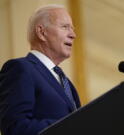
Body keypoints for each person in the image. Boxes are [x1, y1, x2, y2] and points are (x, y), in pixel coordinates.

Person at [0, 4, 81, 135]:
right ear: (42, 33)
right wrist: (67, 127)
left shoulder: (67, 83)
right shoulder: (21, 68)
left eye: (72, 28)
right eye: (65, 27)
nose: (73, 35)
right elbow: (14, 127)